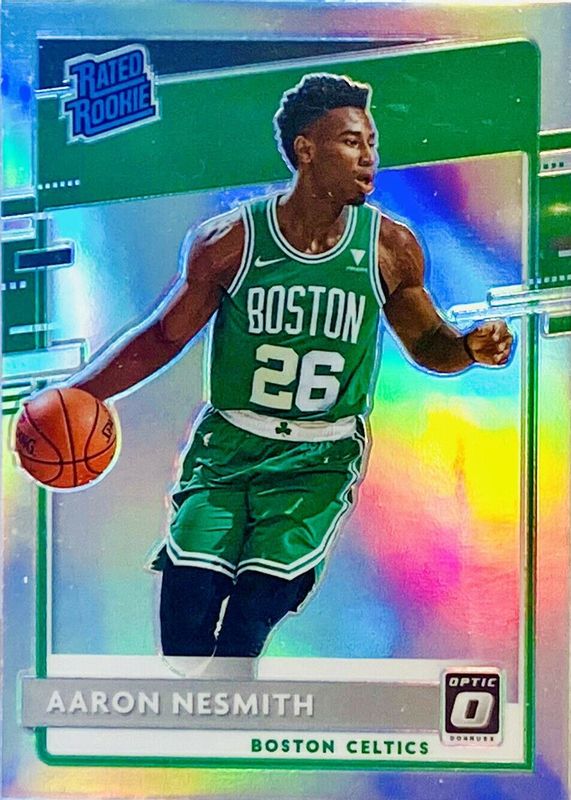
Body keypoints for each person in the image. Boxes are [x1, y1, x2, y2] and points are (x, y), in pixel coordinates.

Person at [74, 73, 513, 676]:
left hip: (318, 458)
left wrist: (467, 348)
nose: (369, 157)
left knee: (246, 629)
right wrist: (83, 392)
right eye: (352, 142)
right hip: (228, 449)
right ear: (306, 149)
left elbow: (427, 343)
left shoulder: (389, 246)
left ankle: (234, 710)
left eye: (372, 143)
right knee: (183, 639)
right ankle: (193, 713)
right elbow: (165, 336)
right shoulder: (231, 241)